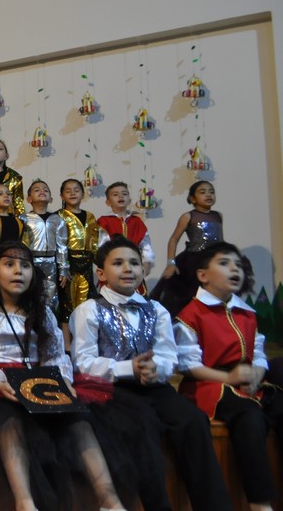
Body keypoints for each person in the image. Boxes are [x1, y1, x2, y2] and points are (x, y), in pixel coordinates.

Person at [71, 236, 230, 511]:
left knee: (193, 420)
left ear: (143, 270)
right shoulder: (88, 310)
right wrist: (127, 368)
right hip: (112, 389)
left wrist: (156, 369)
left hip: (153, 386)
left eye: (134, 263)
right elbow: (83, 362)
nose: (128, 269)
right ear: (101, 273)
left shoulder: (156, 309)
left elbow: (168, 354)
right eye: (118, 263)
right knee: (142, 422)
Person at [0, 241, 127, 511]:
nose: (18, 271)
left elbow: (55, 355)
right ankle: (24, 502)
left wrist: (63, 381)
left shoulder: (43, 311)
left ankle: (110, 500)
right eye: (9, 264)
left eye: (25, 266)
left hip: (41, 379)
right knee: (8, 421)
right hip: (2, 381)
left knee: (79, 421)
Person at [174, 242, 283, 511]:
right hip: (209, 384)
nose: (234, 269)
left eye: (238, 264)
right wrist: (230, 378)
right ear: (203, 275)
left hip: (248, 383)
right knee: (250, 417)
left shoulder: (246, 312)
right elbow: (187, 364)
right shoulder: (191, 314)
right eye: (224, 263)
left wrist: (257, 372)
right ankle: (260, 503)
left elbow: (258, 352)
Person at [151, 181, 224, 317]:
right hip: (194, 262)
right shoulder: (188, 216)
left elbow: (220, 240)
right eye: (202, 192)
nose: (208, 195)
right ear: (192, 199)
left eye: (211, 192)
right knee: (192, 295)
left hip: (214, 261)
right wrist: (171, 263)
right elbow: (174, 239)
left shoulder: (218, 215)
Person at [19, 180, 66, 314]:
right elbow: (21, 244)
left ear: (51, 199)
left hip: (51, 263)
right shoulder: (23, 219)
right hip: (31, 262)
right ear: (29, 199)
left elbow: (62, 246)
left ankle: (50, 323)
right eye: (37, 190)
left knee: (50, 297)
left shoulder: (57, 220)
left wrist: (63, 268)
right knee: (30, 295)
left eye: (45, 190)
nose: (42, 191)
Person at [56, 178, 98, 324]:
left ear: (82, 194)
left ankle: (84, 333)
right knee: (68, 301)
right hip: (69, 262)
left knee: (87, 300)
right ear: (62, 196)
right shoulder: (58, 216)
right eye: (68, 191)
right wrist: (63, 266)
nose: (72, 193)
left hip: (87, 263)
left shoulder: (90, 216)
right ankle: (67, 337)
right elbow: (58, 244)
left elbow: (94, 244)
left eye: (76, 190)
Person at [95, 182, 155, 277]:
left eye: (124, 194)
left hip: (133, 265)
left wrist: (147, 262)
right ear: (108, 202)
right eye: (115, 194)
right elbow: (102, 246)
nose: (121, 196)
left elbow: (146, 245)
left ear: (129, 200)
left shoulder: (137, 221)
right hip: (113, 266)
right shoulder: (104, 221)